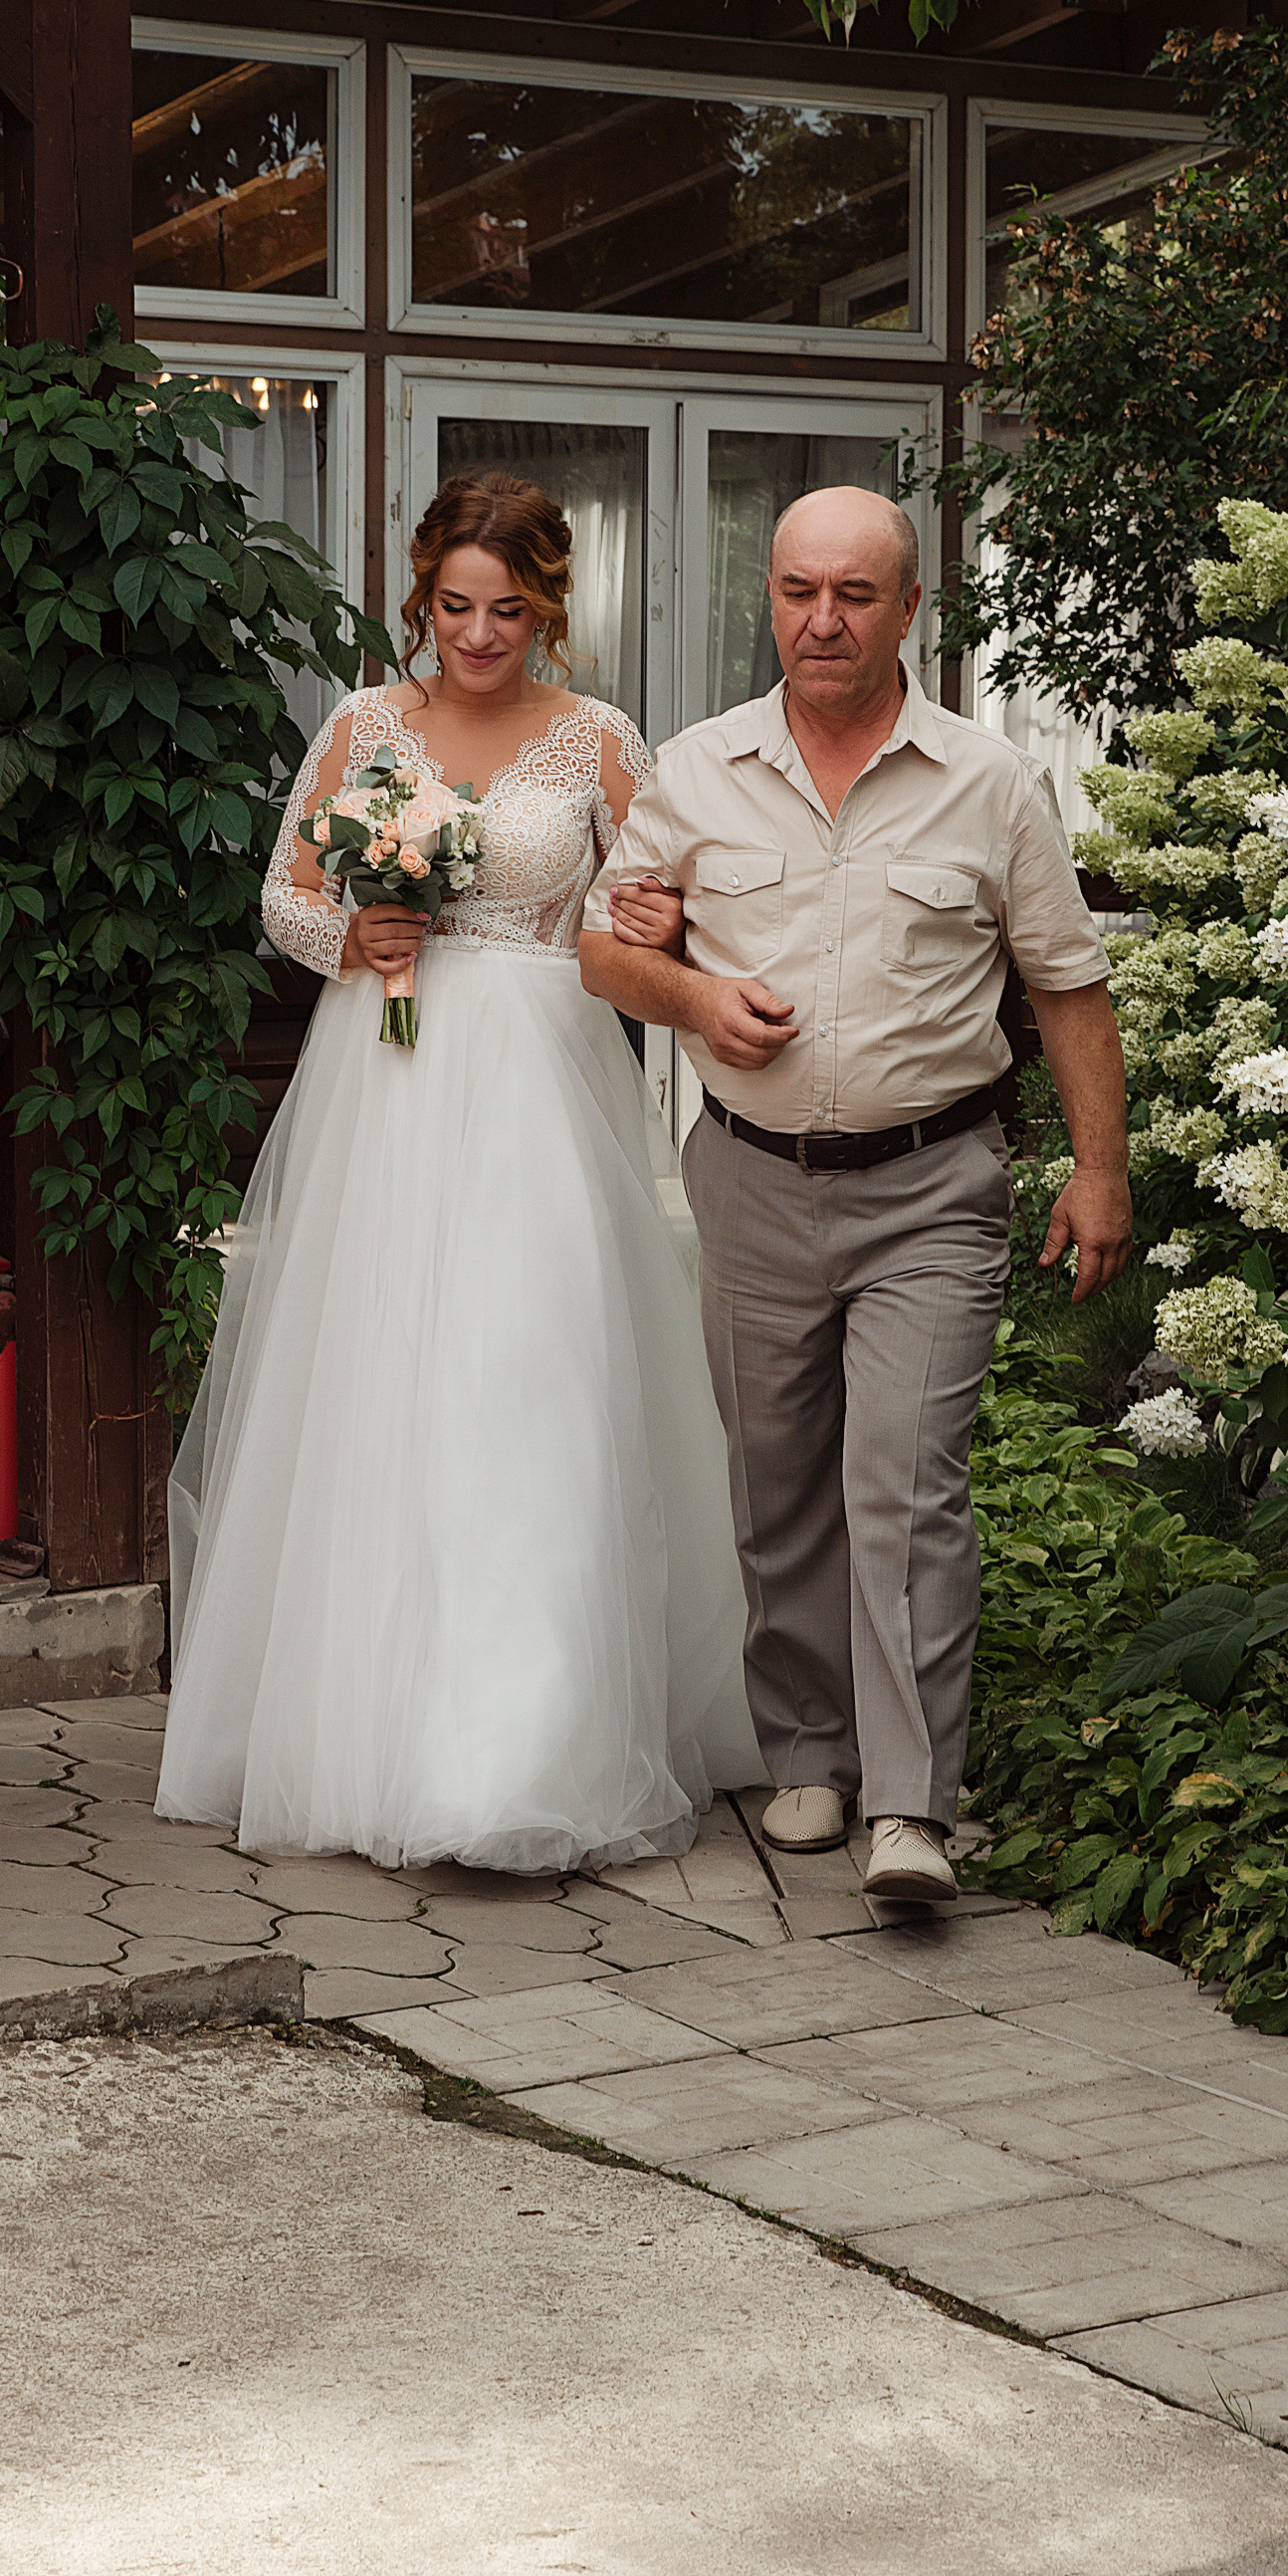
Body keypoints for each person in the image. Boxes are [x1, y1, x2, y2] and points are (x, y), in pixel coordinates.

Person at [155, 468, 760, 1874]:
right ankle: (360, 1730)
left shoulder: (603, 741)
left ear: (550, 608)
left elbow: (657, 906)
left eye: (507, 610)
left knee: (524, 1383)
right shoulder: (369, 726)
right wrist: (355, 940)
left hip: (541, 1090)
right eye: (452, 607)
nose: (477, 636)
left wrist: (660, 914)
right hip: (389, 1081)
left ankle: (522, 1753)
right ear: (421, 596)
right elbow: (286, 895)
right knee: (379, 1380)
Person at [577, 485, 1131, 1909]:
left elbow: (1068, 984)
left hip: (935, 1184)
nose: (823, 620)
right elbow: (607, 953)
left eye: (856, 596)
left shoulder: (990, 783)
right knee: (777, 1491)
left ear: (911, 609)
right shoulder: (696, 771)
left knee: (905, 1487)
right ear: (768, 599)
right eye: (797, 591)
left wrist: (1101, 1167)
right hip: (755, 1181)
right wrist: (695, 992)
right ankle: (808, 1754)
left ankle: (912, 1809)